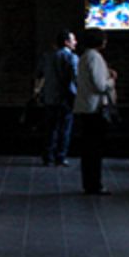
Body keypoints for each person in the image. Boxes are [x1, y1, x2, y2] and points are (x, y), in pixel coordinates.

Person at [74, 28, 117, 195]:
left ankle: (89, 183)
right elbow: (100, 85)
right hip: (95, 108)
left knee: (88, 149)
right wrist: (111, 80)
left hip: (85, 106)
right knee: (94, 149)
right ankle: (94, 184)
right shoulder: (95, 57)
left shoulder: (84, 56)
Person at [35, 29, 79, 166]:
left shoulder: (47, 57)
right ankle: (61, 156)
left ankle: (48, 156)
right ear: (66, 42)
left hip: (50, 97)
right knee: (65, 128)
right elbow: (76, 77)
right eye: (73, 40)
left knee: (50, 128)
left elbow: (39, 74)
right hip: (66, 97)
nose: (75, 42)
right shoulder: (72, 57)